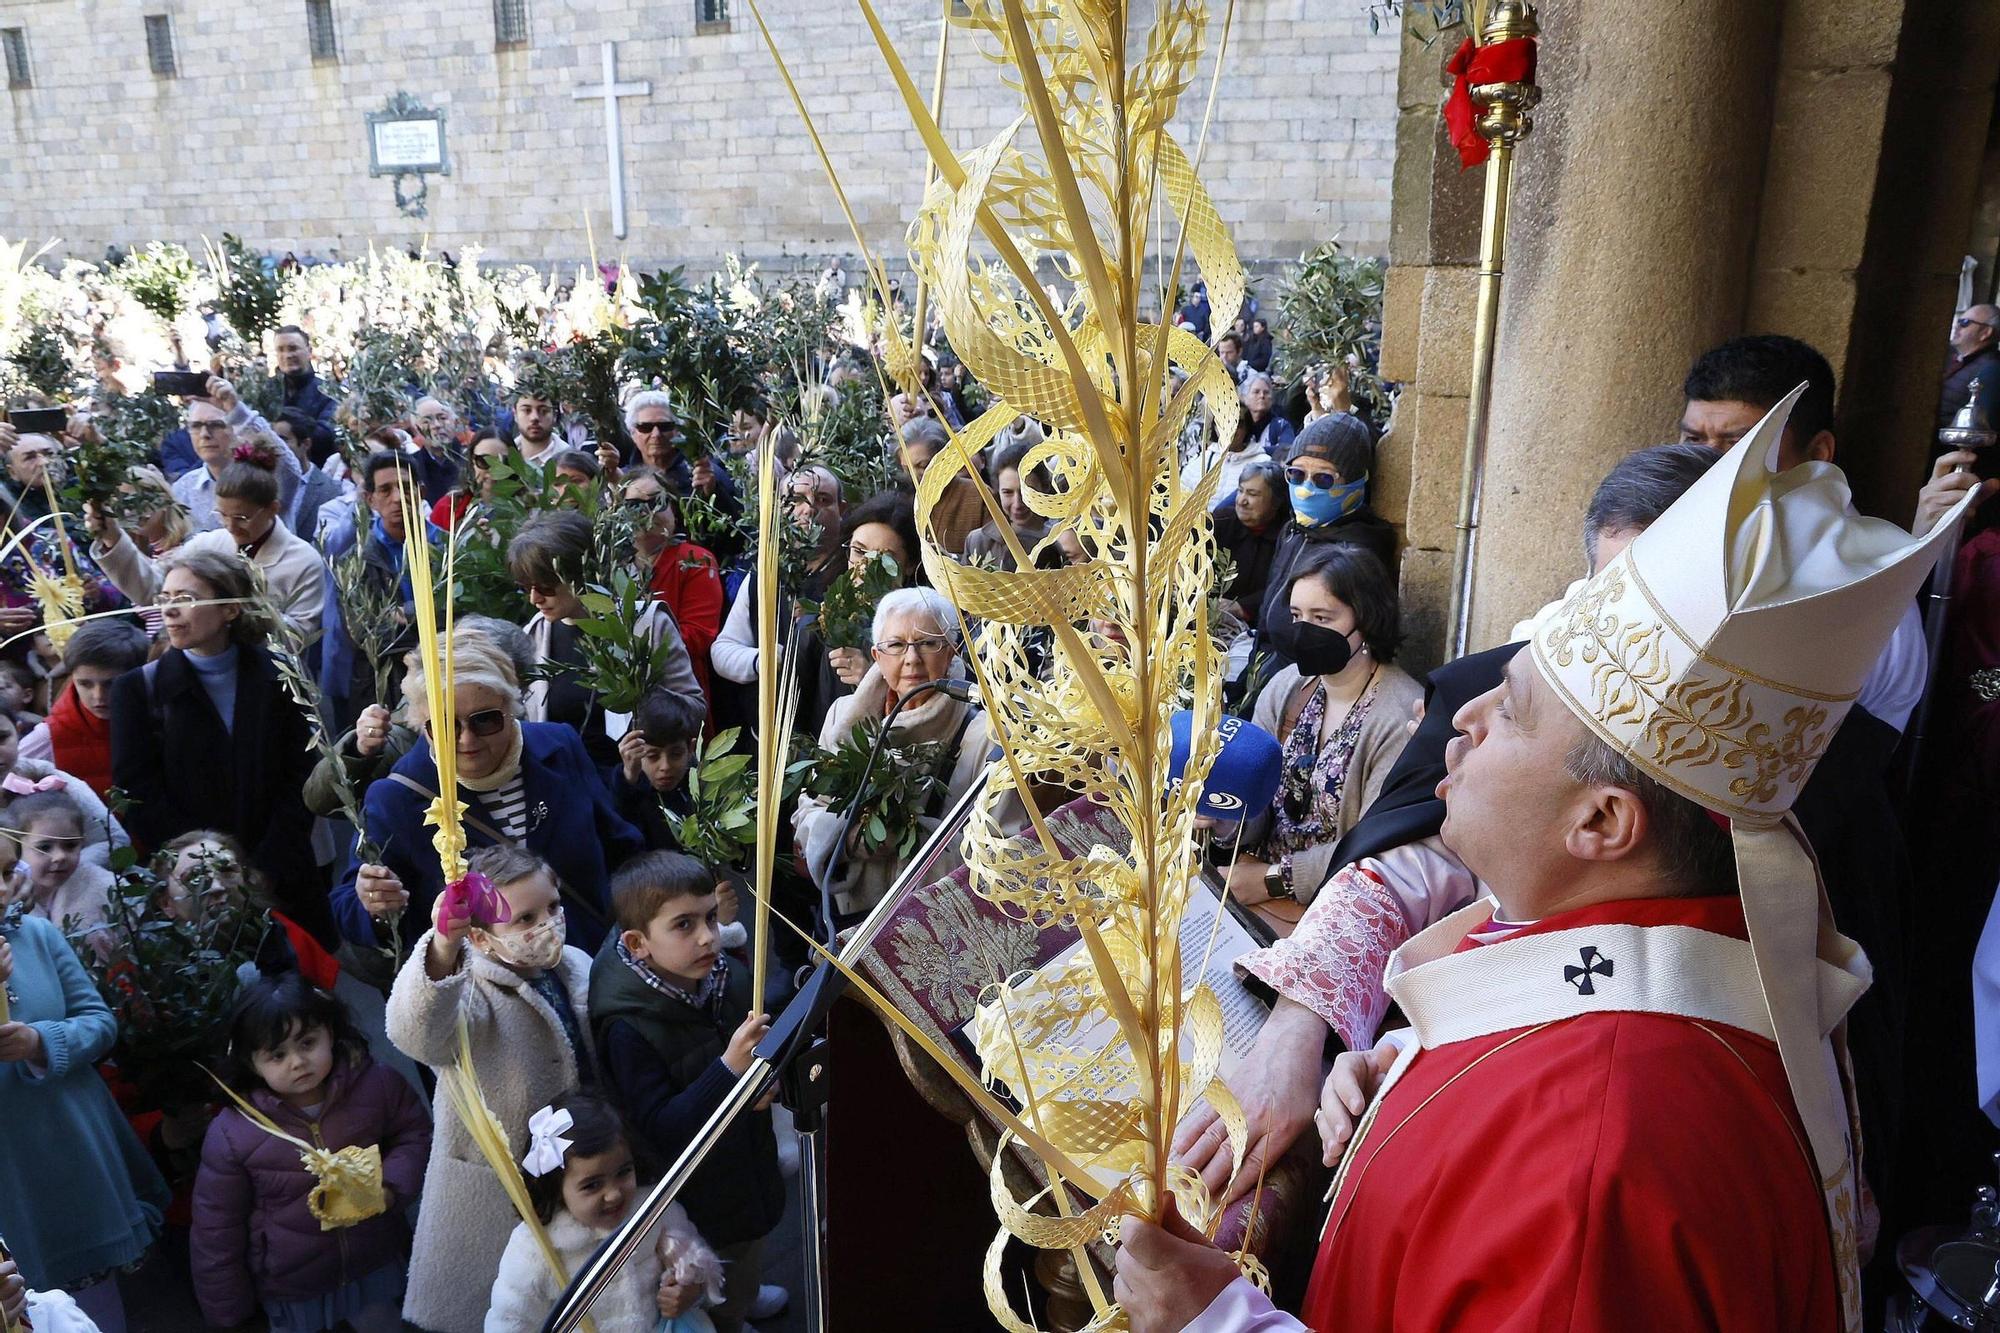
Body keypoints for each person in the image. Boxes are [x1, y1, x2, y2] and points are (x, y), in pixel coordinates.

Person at [1131, 395, 1958, 1332]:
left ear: (1605, 822)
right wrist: (1409, 1063)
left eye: (1511, 708)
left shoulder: (1602, 1167)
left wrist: (1212, 1322)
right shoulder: (1637, 933)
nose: (1463, 720)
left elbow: (1571, 1176)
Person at [331, 623, 641, 955]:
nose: (467, 739)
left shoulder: (560, 746)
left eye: (486, 720)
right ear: (422, 723)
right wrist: (377, 905)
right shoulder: (396, 797)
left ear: (512, 707)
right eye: (446, 725)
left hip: (591, 963)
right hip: (489, 994)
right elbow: (347, 907)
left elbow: (620, 847)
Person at [385, 846, 595, 1333]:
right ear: (479, 936)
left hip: (582, 1167)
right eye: (524, 918)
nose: (546, 925)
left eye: (553, 908)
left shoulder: (573, 965)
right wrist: (442, 948)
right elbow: (416, 1032)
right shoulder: (470, 992)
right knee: (515, 1306)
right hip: (504, 1190)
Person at [1677, 334, 1928, 735]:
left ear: (1817, 454)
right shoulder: (1677, 532)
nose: (1707, 467)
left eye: (1739, 445)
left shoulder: (1865, 586)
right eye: (1694, 440)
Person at [589, 853, 785, 1333]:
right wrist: (727, 1071)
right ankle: (732, 1318)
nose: (707, 936)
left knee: (748, 1254)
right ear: (637, 943)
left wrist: (764, 1084)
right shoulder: (627, 1028)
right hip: (702, 1200)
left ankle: (744, 1298)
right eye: (684, 925)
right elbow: (661, 1130)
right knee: (717, 1281)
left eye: (711, 918)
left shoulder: (721, 976)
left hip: (746, 1167)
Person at [191, 974, 430, 1333]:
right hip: (293, 1287)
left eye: (307, 1042)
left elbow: (415, 1134)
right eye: (277, 1054)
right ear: (251, 1062)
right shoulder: (234, 1133)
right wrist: (230, 1315)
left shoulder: (376, 1086)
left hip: (375, 1260)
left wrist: (391, 1187)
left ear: (331, 1033)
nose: (298, 1062)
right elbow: (217, 1231)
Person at [108, 548, 324, 942]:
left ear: (230, 609)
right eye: (165, 599)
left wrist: (263, 866)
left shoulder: (279, 673)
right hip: (194, 888)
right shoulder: (136, 689)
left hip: (282, 873)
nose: (170, 611)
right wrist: (210, 868)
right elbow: (137, 793)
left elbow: (303, 777)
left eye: (186, 599)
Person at [1224, 545, 1419, 932]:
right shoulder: (1287, 686)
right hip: (1251, 887)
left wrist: (1272, 879)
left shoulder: (1400, 714)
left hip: (1335, 913)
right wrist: (1225, 821)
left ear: (1366, 619)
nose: (1303, 631)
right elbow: (1257, 797)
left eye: (1322, 618)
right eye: (1296, 616)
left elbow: (1375, 849)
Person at [0, 912, 170, 1333]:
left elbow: (98, 1023)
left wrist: (40, 1042)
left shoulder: (35, 934)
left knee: (94, 1309)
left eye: (5, 873)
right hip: (10, 1183)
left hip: (72, 1157)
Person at [793, 587, 991, 918]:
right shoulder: (843, 716)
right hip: (849, 924)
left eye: (928, 643)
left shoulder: (982, 735)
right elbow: (808, 811)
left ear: (952, 652)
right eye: (896, 645)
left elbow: (997, 853)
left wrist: (908, 837)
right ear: (877, 655)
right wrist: (848, 839)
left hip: (937, 927)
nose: (912, 658)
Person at [485, 1089, 724, 1333]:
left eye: (623, 1172)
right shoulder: (535, 1248)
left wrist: (689, 1291)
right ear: (555, 1187)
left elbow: (699, 1261)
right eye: (592, 1185)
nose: (614, 1194)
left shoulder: (655, 1209)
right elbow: (510, 1321)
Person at [508, 509, 704, 772]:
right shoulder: (532, 637)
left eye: (545, 586)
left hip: (642, 792)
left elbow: (693, 708)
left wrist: (648, 706)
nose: (534, 599)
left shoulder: (644, 622)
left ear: (579, 574)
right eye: (524, 587)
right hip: (572, 791)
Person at [90, 443, 325, 644]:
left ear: (273, 509)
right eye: (221, 515)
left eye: (241, 518)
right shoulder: (207, 545)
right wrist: (114, 539)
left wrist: (244, 612)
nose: (230, 527)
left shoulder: (303, 560)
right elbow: (152, 589)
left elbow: (301, 637)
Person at [1253, 415, 1396, 661]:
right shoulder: (1292, 531)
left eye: (1323, 479)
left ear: (1356, 482)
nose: (1306, 490)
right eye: (1296, 475)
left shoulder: (1357, 552)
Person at [317, 451, 435, 730]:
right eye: (385, 489)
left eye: (406, 487)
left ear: (421, 492)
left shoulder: (447, 547)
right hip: (379, 689)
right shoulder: (354, 562)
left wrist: (406, 613)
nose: (397, 497)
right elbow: (367, 634)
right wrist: (428, 621)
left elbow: (461, 617)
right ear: (370, 499)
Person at [623, 467, 724, 701]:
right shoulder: (609, 562)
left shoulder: (696, 560)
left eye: (657, 502)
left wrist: (631, 648)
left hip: (678, 691)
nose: (646, 512)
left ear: (674, 510)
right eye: (634, 505)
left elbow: (698, 636)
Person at [822, 491, 922, 689]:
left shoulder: (926, 624)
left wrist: (872, 681)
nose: (866, 566)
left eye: (883, 559)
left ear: (909, 564)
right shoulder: (824, 619)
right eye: (859, 551)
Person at [3, 789, 115, 954]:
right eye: (44, 847)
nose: (60, 856)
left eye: (70, 846)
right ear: (17, 848)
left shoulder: (106, 887)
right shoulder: (7, 893)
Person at [613, 687, 703, 851]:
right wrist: (629, 780)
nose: (665, 766)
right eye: (653, 756)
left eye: (675, 754)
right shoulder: (623, 794)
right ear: (635, 752)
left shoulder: (704, 787)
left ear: (691, 748)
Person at [1210, 457, 1289, 627]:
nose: (1241, 501)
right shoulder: (1222, 521)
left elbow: (1285, 588)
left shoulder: (1288, 535)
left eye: (1252, 494)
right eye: (1240, 491)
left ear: (1275, 502)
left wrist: (1242, 607)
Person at [898, 417, 985, 556]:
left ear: (943, 459)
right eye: (907, 469)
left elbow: (996, 556)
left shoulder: (979, 496)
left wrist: (952, 559)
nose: (914, 475)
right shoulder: (904, 501)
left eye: (923, 465)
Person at [962, 441, 1049, 573]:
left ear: (1044, 488)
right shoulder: (978, 541)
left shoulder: (1061, 543)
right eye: (1008, 492)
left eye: (1026, 492)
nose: (1017, 503)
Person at [270, 325, 339, 462]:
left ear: (309, 351)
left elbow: (326, 435)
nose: (288, 355)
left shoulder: (328, 391)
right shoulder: (266, 389)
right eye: (281, 350)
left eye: (293, 348)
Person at [1941, 302, 2000, 430]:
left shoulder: (1992, 370)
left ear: (1986, 332)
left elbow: (1980, 428)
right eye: (1958, 322)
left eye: (1965, 323)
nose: (1956, 327)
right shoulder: (1950, 357)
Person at [1239, 373, 1294, 454]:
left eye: (1266, 392)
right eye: (1256, 392)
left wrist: (1255, 452)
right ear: (1244, 397)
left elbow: (1287, 449)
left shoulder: (1280, 425)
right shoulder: (1239, 425)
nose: (1262, 396)